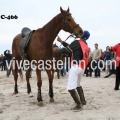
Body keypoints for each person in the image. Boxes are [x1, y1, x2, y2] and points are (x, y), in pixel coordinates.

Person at [54, 30, 90, 110]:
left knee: (70, 87)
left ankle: (78, 104)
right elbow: (71, 47)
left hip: (76, 67)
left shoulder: (77, 42)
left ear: (81, 35)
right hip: (82, 67)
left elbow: (67, 50)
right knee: (77, 84)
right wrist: (62, 41)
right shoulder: (84, 44)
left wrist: (55, 52)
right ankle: (83, 101)